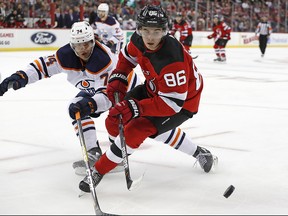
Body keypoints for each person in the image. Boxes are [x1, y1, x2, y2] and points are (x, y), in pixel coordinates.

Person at [79, 5, 217, 193]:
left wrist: (136, 108)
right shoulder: (138, 40)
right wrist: (120, 75)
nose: (150, 37)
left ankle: (99, 170)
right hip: (156, 89)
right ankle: (118, 155)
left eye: (157, 31)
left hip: (182, 102)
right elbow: (127, 57)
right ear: (139, 29)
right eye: (146, 31)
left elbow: (171, 104)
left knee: (137, 129)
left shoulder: (171, 60)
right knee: (114, 117)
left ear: (164, 31)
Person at [0, 21, 140, 175]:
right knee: (76, 107)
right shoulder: (65, 55)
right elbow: (42, 66)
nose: (83, 49)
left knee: (120, 122)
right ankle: (93, 152)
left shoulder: (104, 59)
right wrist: (21, 76)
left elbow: (109, 97)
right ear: (72, 45)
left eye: (86, 44)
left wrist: (91, 104)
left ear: (93, 41)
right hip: (98, 90)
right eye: (79, 45)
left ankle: (117, 156)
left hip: (126, 90)